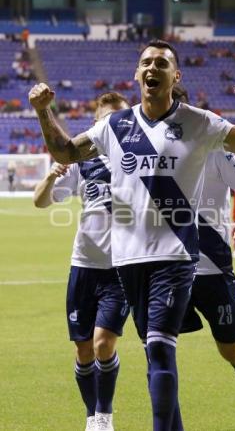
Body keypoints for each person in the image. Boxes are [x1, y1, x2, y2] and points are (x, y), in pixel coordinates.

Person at [29, 39, 235, 431]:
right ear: (137, 74)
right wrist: (44, 111)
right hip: (127, 263)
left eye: (162, 63)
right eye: (146, 62)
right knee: (154, 353)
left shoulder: (200, 122)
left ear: (176, 76)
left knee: (163, 348)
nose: (152, 68)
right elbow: (66, 152)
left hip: (176, 257)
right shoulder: (115, 125)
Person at [33, 92, 130, 431]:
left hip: (121, 270)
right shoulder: (82, 162)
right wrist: (49, 176)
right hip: (83, 267)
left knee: (104, 343)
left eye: (122, 118)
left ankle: (104, 415)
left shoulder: (138, 160)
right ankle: (92, 416)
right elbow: (40, 201)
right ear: (96, 125)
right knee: (84, 350)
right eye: (108, 119)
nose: (115, 125)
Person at [173, 84, 235, 424]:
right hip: (168, 269)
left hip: (213, 269)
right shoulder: (148, 157)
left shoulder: (214, 150)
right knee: (158, 346)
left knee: (231, 349)